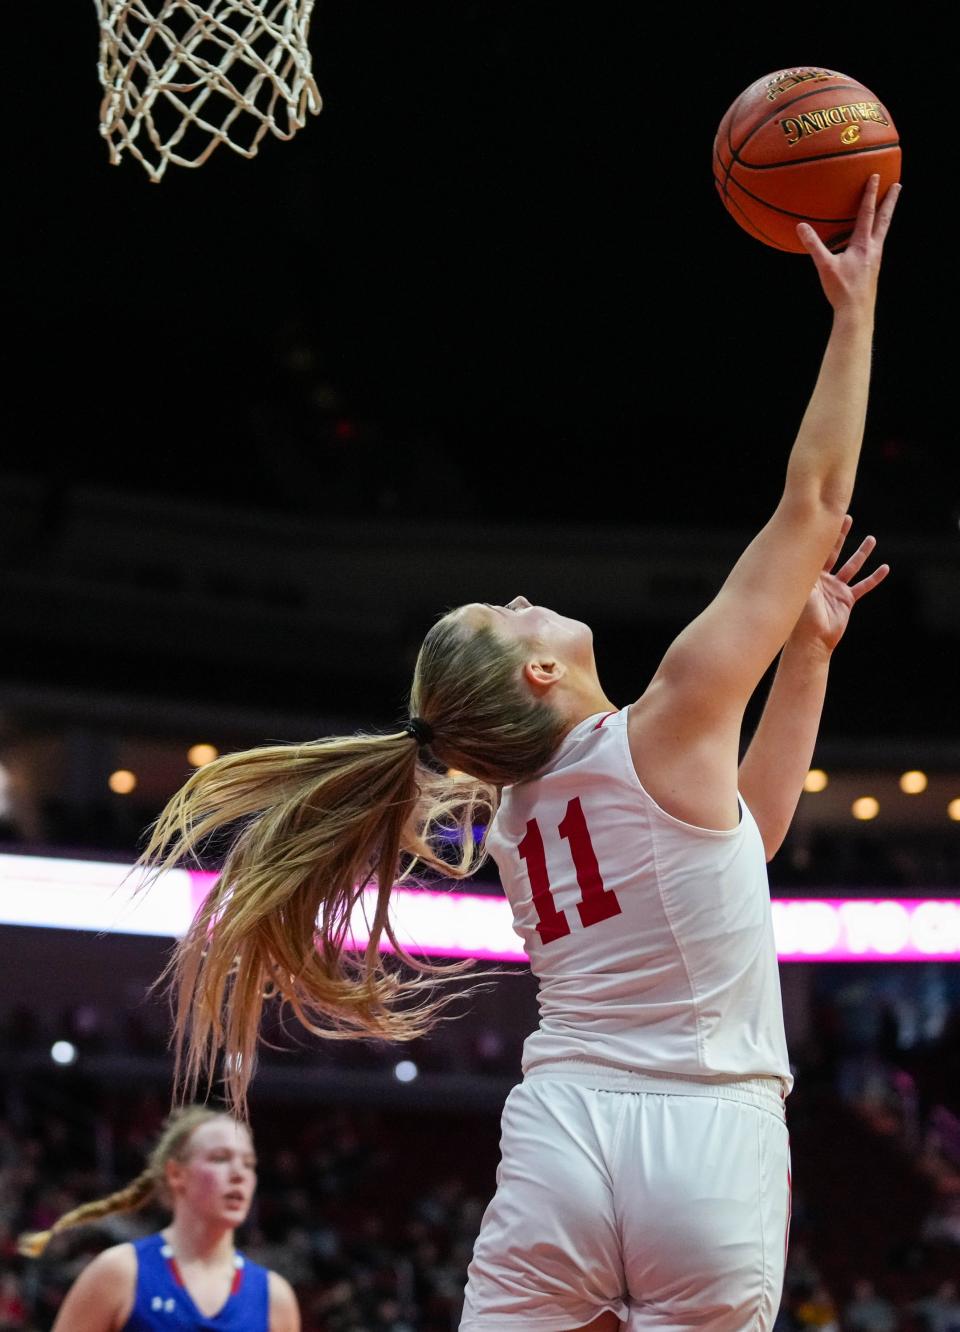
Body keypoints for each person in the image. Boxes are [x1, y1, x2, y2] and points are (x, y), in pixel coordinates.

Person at [138, 175, 900, 1331]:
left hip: (564, 1134)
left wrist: (808, 658)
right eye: (514, 614)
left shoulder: (516, 815)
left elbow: (749, 836)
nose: (529, 598)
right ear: (540, 673)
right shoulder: (673, 716)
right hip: (708, 1129)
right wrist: (854, 311)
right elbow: (816, 501)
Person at [18, 1107, 300, 1332]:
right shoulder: (118, 1273)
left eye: (249, 1163)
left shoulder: (275, 1297)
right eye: (220, 1158)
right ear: (177, 1174)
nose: (239, 1173)